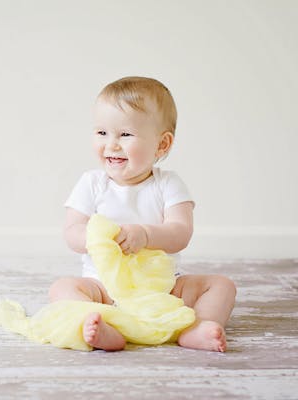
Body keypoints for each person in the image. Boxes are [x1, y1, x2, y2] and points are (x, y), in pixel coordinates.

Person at [49, 76, 237, 352]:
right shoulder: (91, 183)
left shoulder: (168, 184)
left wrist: (145, 234)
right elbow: (72, 232)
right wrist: (99, 240)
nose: (111, 144)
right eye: (102, 133)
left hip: (162, 289)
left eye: (125, 135)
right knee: (61, 289)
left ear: (162, 145)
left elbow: (180, 233)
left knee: (222, 286)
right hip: (103, 288)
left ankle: (198, 327)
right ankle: (104, 326)